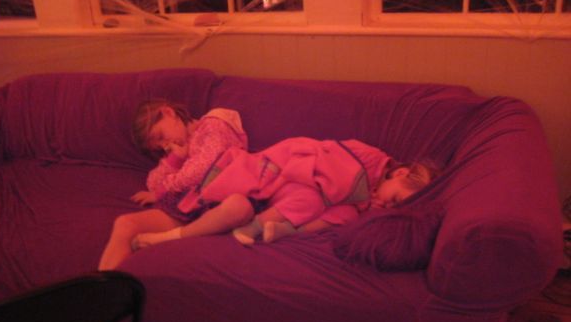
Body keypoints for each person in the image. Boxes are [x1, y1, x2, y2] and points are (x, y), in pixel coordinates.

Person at [131, 137, 438, 248]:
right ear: (400, 173)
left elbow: (344, 209)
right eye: (393, 198)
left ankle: (279, 229)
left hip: (282, 204)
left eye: (392, 208)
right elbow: (326, 162)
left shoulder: (372, 199)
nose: (384, 204)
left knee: (344, 215)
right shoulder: (370, 158)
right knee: (312, 199)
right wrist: (351, 194)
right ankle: (167, 238)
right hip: (285, 176)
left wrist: (360, 206)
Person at [97, 100, 249, 270]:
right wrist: (176, 159)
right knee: (125, 224)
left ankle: (168, 237)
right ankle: (101, 285)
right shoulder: (180, 146)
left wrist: (163, 191)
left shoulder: (214, 124)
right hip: (188, 208)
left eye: (160, 137)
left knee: (237, 207)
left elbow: (202, 170)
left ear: (168, 112)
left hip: (216, 204)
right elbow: (152, 183)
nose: (164, 145)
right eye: (159, 146)